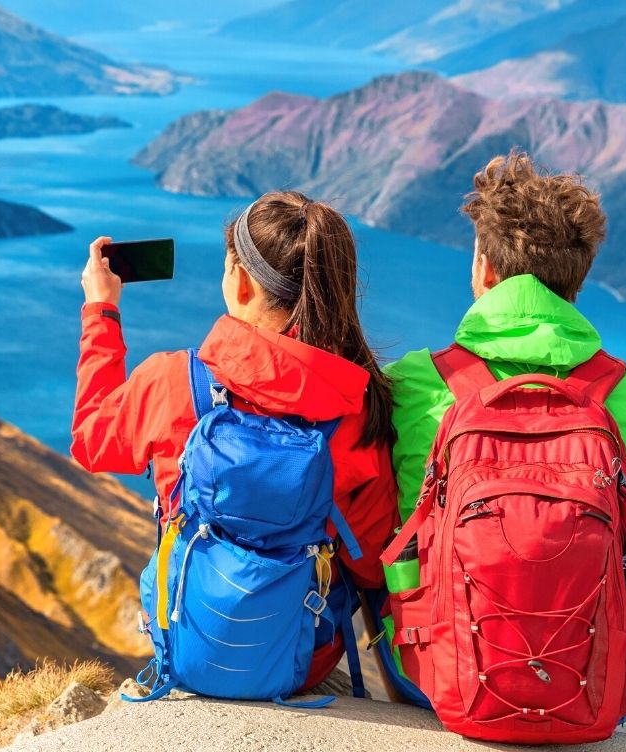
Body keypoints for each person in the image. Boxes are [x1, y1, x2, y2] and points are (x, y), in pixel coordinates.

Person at [71, 190, 398, 692]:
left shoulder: (172, 381)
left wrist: (101, 311)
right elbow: (372, 563)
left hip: (189, 643)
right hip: (302, 660)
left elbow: (91, 440)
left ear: (240, 282)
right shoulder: (357, 406)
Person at [387, 150, 626, 583]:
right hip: (591, 647)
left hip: (433, 650)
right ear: (578, 279)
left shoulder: (408, 386)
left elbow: (370, 529)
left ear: (486, 269)